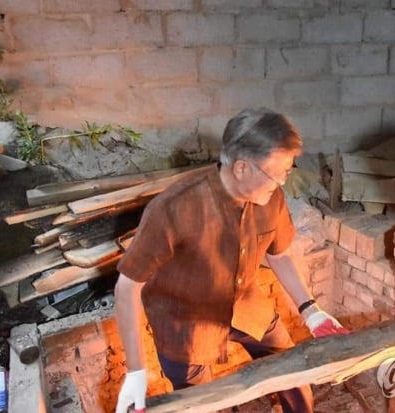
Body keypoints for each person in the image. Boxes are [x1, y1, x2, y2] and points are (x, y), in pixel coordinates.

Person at [114, 108, 349, 413]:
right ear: (241, 168)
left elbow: (279, 254)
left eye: (287, 172)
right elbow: (127, 287)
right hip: (185, 324)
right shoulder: (173, 208)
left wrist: (310, 309)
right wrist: (135, 371)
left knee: (293, 373)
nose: (281, 183)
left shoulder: (269, 197)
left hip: (245, 305)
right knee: (198, 405)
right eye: (277, 173)